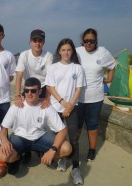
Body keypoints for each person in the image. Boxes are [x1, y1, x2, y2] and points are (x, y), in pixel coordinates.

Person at [0, 77, 72, 175]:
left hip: (40, 137)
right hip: (20, 138)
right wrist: (5, 141)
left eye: (33, 91)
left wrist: (52, 150)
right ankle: (17, 158)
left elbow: (63, 130)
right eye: (26, 90)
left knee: (67, 148)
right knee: (3, 155)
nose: (29, 93)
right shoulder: (16, 106)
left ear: (40, 91)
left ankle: (45, 154)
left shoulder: (46, 106)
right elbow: (3, 129)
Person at [45, 38, 86, 185]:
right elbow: (51, 88)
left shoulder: (77, 68)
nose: (66, 52)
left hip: (72, 108)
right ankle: (62, 159)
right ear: (59, 52)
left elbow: (78, 88)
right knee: (59, 137)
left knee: (74, 138)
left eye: (69, 49)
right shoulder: (53, 67)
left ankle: (75, 168)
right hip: (56, 108)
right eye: (63, 50)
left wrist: (70, 106)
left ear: (72, 51)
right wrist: (63, 103)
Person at [76, 28, 115, 161]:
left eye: (92, 41)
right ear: (82, 41)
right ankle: (74, 149)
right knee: (77, 125)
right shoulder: (77, 51)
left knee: (92, 125)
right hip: (78, 97)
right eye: (86, 40)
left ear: (96, 41)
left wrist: (109, 79)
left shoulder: (102, 52)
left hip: (96, 98)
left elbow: (112, 65)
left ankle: (92, 150)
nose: (89, 43)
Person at [14, 29, 53, 163]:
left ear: (44, 42)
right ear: (30, 41)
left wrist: (47, 98)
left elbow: (50, 77)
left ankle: (41, 148)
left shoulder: (48, 56)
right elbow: (19, 76)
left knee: (43, 118)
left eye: (40, 40)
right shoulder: (24, 55)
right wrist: (18, 95)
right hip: (29, 88)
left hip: (42, 88)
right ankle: (26, 150)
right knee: (26, 117)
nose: (37, 43)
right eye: (35, 40)